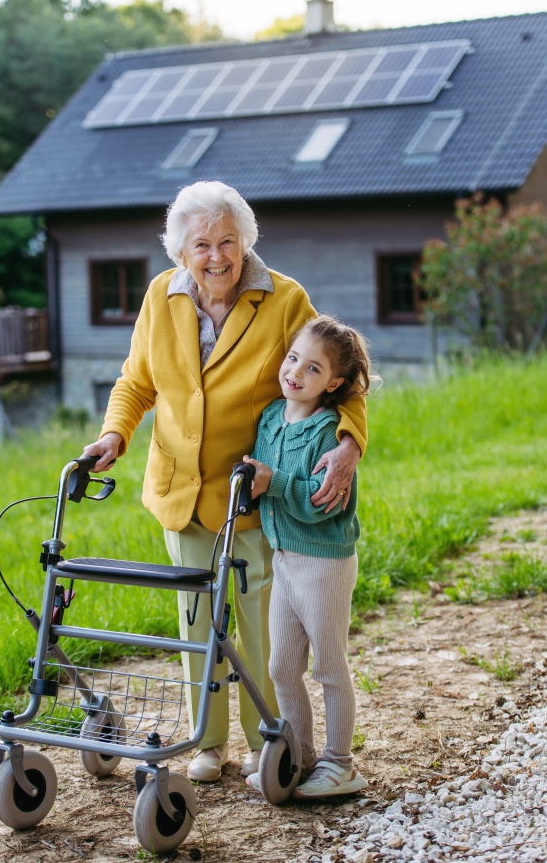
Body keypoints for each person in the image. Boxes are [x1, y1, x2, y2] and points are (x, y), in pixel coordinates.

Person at [83, 181, 368, 783]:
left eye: (228, 241)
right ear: (180, 253)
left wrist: (348, 444)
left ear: (246, 241)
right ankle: (208, 744)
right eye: (202, 245)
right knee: (196, 621)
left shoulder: (285, 298)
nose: (217, 256)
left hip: (253, 496)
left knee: (260, 625)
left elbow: (341, 373)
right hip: (182, 490)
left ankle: (269, 738)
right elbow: (136, 383)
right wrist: (114, 435)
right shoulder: (162, 297)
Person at [245, 315, 373, 798]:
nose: (296, 372)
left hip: (324, 563)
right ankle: (298, 758)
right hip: (284, 559)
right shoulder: (271, 417)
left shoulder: (328, 434)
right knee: (281, 665)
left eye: (313, 368)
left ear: (334, 383)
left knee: (328, 666)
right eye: (293, 358)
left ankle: (341, 764)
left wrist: (271, 482)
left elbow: (325, 504)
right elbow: (264, 484)